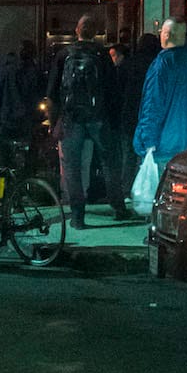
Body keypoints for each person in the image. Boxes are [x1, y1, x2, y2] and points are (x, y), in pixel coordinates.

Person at [46, 17, 125, 229]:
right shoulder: (102, 55)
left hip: (72, 118)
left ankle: (78, 216)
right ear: (95, 32)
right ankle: (117, 207)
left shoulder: (64, 55)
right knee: (109, 162)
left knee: (71, 167)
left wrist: (54, 122)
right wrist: (113, 122)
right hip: (99, 118)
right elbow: (112, 91)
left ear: (76, 30)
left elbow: (52, 93)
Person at [134, 19, 187, 189]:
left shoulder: (162, 65)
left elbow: (152, 107)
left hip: (165, 146)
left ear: (167, 34)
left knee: (164, 196)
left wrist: (147, 143)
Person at [119, 33, 159, 197]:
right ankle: (145, 191)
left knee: (128, 155)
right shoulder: (156, 65)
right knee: (147, 155)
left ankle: (126, 189)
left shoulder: (128, 64)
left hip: (128, 115)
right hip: (149, 116)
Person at [0, 42, 44, 145]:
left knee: (5, 152)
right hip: (28, 119)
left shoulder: (7, 70)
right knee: (30, 152)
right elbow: (40, 95)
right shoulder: (36, 72)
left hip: (8, 118)